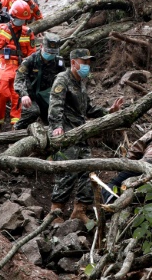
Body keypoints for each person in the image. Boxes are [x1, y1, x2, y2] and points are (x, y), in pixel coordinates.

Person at [48, 48, 125, 224]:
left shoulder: (81, 82)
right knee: (67, 170)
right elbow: (55, 106)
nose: (87, 67)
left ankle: (79, 210)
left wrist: (108, 111)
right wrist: (57, 128)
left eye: (89, 63)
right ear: (74, 62)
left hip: (81, 132)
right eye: (84, 63)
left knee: (87, 170)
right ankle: (55, 213)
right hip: (67, 133)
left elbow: (88, 108)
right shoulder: (62, 80)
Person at [0, 0, 36, 132]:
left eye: (24, 20)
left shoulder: (28, 33)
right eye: (20, 19)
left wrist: (31, 73)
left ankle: (15, 127)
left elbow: (32, 56)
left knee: (17, 94)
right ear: (12, 16)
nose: (21, 22)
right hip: (2, 65)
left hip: (19, 66)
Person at [102, 130, 152, 203]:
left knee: (114, 183)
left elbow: (136, 149)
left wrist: (127, 164)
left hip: (147, 163)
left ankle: (111, 200)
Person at [13, 32, 63, 130]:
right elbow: (19, 79)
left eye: (53, 53)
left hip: (47, 96)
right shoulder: (30, 61)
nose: (50, 55)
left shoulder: (58, 61)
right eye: (48, 52)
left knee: (57, 115)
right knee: (33, 112)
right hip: (31, 97)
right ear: (41, 46)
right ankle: (16, 131)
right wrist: (24, 94)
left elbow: (63, 78)